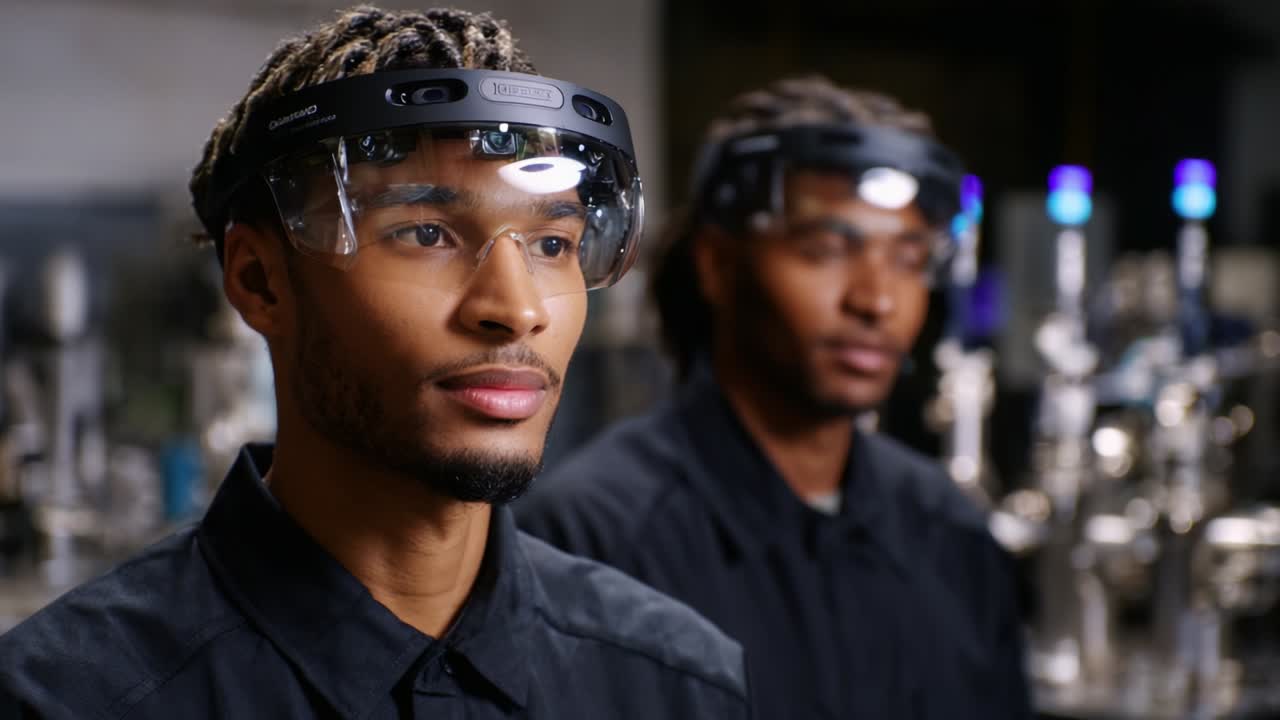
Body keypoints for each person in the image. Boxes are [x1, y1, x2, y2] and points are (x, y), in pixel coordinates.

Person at [0, 7, 750, 718]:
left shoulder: (675, 682)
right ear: (260, 281)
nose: (517, 308)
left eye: (551, 245)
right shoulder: (65, 698)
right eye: (425, 234)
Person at [517, 75, 1033, 719]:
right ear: (719, 265)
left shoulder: (947, 533)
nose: (876, 300)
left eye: (907, 257)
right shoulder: (591, 536)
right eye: (824, 250)